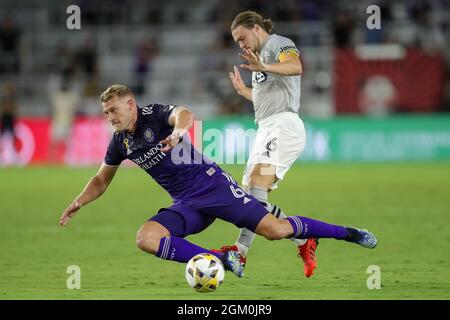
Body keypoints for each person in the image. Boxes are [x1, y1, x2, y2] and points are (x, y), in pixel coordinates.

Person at [59, 84, 377, 279]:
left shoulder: (153, 115)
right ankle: (219, 260)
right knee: (146, 237)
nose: (110, 117)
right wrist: (79, 201)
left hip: (214, 187)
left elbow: (183, 114)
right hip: (186, 204)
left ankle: (349, 233)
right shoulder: (120, 142)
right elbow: (101, 180)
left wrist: (180, 132)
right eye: (105, 113)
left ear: (130, 104)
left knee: (274, 230)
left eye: (113, 110)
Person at [220, 11, 319, 277]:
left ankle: (239, 253)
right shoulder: (259, 59)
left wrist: (264, 67)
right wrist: (244, 91)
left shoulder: (277, 44)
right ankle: (303, 240)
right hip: (267, 128)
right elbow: (266, 96)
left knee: (256, 186)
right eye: (237, 41)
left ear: (255, 28)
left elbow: (296, 66)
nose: (241, 44)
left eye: (242, 38)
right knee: (251, 195)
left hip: (283, 126)